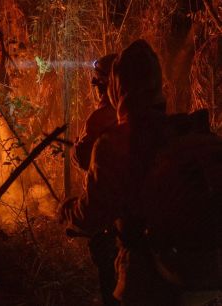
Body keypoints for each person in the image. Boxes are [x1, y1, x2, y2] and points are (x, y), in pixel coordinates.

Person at [61, 39, 173, 305]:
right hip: (190, 274)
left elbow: (92, 213)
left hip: (143, 275)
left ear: (115, 87)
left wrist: (69, 211)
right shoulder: (179, 131)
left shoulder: (114, 142)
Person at [71, 53, 119, 306]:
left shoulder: (103, 121)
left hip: (120, 238)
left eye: (98, 82)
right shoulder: (156, 118)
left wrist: (71, 211)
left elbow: (84, 159)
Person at [72, 54, 117, 171]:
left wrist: (77, 148)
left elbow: (83, 158)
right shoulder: (134, 112)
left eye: (96, 81)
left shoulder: (100, 118)